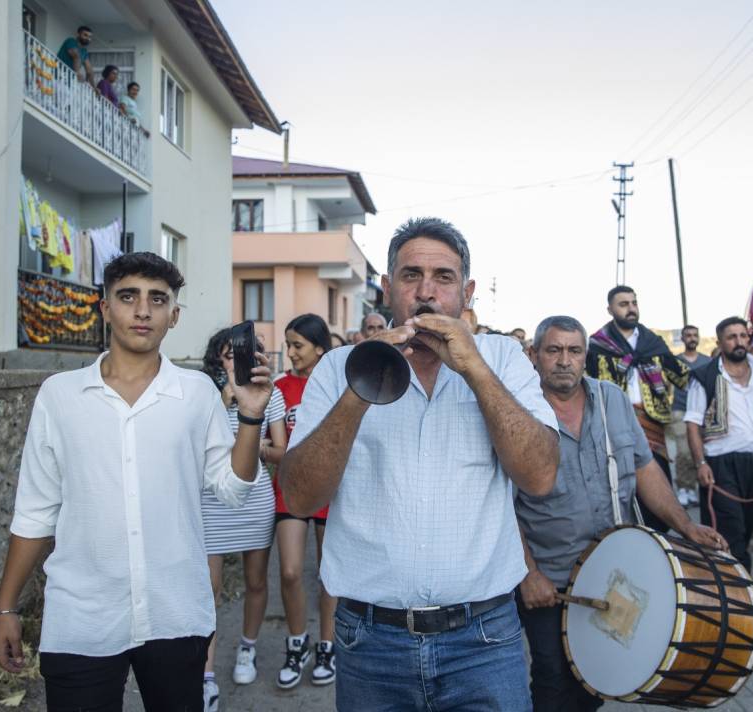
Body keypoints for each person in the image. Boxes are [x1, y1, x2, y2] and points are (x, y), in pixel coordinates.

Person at [278, 217, 559, 711]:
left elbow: (539, 475)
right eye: (410, 276)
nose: (426, 293)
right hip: (370, 640)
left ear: (466, 291)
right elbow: (301, 497)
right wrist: (362, 385)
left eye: (443, 279)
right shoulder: (337, 367)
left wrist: (474, 368)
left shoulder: (503, 358)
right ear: (387, 288)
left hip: (484, 641)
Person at [0, 252, 273, 710]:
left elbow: (233, 489)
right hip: (82, 616)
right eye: (128, 297)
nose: (143, 310)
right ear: (105, 308)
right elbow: (36, 509)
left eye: (157, 299)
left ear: (174, 315)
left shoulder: (197, 394)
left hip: (176, 612)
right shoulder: (60, 396)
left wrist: (251, 415)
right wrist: (6, 607)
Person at [516, 316, 726, 712]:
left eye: (574, 351)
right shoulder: (517, 412)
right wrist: (529, 574)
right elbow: (502, 505)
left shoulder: (612, 398)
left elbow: (646, 468)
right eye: (554, 350)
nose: (564, 360)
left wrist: (685, 525)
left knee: (595, 677)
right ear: (534, 355)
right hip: (550, 579)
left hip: (611, 574)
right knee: (552, 677)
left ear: (585, 356)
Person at [198, 328, 288, 711]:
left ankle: (247, 649)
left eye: (252, 352)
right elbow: (194, 447)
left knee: (255, 581)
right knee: (208, 591)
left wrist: (253, 447)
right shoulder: (202, 393)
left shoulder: (274, 393)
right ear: (218, 357)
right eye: (231, 353)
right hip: (210, 503)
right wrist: (224, 399)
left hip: (254, 501)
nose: (241, 360)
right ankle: (205, 675)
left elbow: (282, 451)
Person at [586, 285, 689, 531]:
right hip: (611, 423)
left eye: (634, 303)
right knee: (614, 487)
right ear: (610, 309)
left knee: (657, 482)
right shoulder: (597, 345)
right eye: (624, 304)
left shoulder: (653, 342)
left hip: (652, 425)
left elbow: (682, 377)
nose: (631, 308)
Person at [273, 314, 337, 688]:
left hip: (331, 492)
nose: (290, 352)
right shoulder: (279, 388)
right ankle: (297, 643)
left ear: (319, 348)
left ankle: (327, 645)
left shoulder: (335, 386)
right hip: (290, 491)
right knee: (291, 571)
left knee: (330, 574)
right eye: (288, 345)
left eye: (297, 345)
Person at [685, 317, 753, 572]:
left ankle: (731, 584)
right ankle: (741, 592)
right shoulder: (704, 376)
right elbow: (692, 424)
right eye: (731, 337)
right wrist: (700, 463)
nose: (739, 342)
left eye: (743, 336)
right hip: (722, 462)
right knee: (729, 528)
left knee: (747, 527)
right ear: (720, 342)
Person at [669, 325, 712, 507]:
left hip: (703, 413)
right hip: (680, 410)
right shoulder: (675, 361)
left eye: (695, 335)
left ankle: (696, 487)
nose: (692, 338)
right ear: (683, 339)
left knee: (701, 451)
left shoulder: (708, 361)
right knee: (684, 451)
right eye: (688, 335)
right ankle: (684, 488)